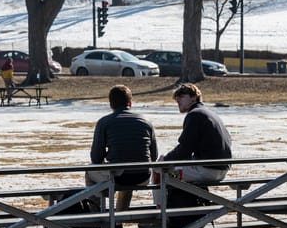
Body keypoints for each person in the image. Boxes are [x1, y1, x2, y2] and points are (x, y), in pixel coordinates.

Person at [156, 83, 233, 214]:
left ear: (194, 98)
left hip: (206, 171)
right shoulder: (209, 113)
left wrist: (165, 160)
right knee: (171, 170)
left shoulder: (194, 115)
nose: (178, 99)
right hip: (221, 169)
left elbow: (184, 149)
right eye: (176, 97)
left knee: (159, 171)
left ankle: (160, 215)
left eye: (181, 96)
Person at [87, 84, 157, 214]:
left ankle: (95, 215)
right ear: (130, 103)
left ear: (111, 104)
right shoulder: (146, 121)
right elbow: (154, 155)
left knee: (90, 172)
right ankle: (118, 221)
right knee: (129, 170)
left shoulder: (104, 122)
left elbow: (95, 158)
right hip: (143, 176)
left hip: (118, 177)